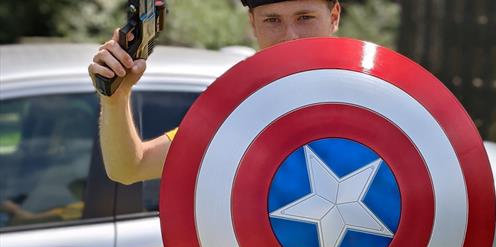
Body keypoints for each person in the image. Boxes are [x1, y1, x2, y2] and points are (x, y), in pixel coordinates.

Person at [88, 0, 341, 184]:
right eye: (272, 20)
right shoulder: (236, 112)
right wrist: (116, 100)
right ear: (253, 24)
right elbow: (131, 167)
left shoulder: (379, 97)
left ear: (334, 17)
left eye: (305, 17)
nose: (290, 36)